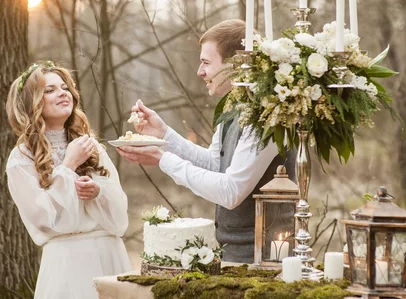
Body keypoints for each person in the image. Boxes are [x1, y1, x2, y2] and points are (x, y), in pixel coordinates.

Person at [117, 20, 295, 263]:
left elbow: (232, 191)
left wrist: (162, 160)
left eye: (206, 63)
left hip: (264, 261)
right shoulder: (233, 109)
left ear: (235, 65)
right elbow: (214, 165)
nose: (200, 72)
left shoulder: (267, 116)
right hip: (232, 253)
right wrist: (164, 135)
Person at [5, 61, 131, 299]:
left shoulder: (90, 146)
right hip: (68, 263)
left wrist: (98, 193)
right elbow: (43, 220)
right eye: (49, 90)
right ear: (32, 103)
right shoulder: (22, 157)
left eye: (64, 87)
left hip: (110, 255)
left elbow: (121, 216)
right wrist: (68, 165)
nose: (62, 93)